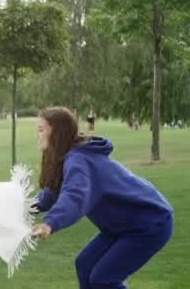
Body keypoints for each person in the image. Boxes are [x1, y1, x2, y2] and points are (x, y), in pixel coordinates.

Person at [31, 107, 173, 289]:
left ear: (57, 133)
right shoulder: (69, 156)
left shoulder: (78, 160)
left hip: (149, 223)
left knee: (104, 279)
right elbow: (51, 194)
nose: (38, 135)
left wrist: (49, 223)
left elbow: (74, 196)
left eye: (41, 130)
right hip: (122, 226)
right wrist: (26, 207)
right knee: (84, 265)